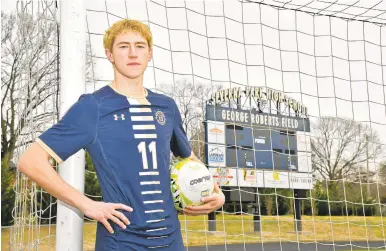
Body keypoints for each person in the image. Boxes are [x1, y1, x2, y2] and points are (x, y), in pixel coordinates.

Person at [17, 19, 225, 250]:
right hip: (121, 241)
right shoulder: (93, 107)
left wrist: (218, 193)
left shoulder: (167, 107)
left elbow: (189, 159)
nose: (133, 53)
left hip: (171, 240)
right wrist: (86, 205)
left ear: (150, 53)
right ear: (110, 54)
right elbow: (30, 161)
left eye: (140, 46)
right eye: (123, 46)